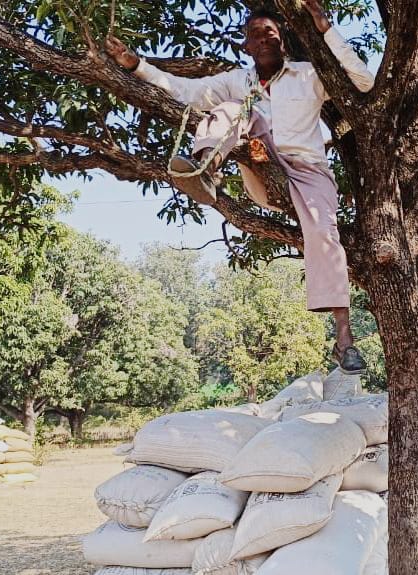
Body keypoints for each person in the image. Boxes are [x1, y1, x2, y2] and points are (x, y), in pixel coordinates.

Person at [104, 1, 373, 374]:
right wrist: (137, 66)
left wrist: (326, 29)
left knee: (325, 234)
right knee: (232, 109)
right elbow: (187, 91)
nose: (263, 38)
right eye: (255, 34)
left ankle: (344, 338)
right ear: (246, 46)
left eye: (270, 32)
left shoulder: (309, 75)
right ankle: (206, 171)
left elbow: (363, 81)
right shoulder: (238, 81)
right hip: (262, 168)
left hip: (308, 173)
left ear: (284, 41)